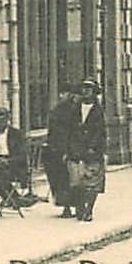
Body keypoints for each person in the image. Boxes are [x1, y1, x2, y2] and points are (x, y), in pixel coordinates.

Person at [62, 78, 106, 222]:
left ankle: (89, 210)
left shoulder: (98, 111)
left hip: (92, 151)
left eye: (89, 89)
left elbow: (100, 132)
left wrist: (93, 147)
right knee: (76, 182)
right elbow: (68, 130)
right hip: (75, 150)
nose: (86, 91)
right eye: (84, 88)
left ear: (94, 92)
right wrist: (67, 149)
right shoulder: (74, 109)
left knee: (93, 183)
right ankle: (80, 208)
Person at [44, 84, 77, 217]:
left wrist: (68, 150)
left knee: (70, 179)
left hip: (69, 149)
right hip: (56, 149)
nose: (61, 96)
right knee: (60, 179)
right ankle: (65, 206)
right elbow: (52, 131)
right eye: (61, 93)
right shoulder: (57, 110)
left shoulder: (74, 110)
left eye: (65, 93)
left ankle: (74, 206)